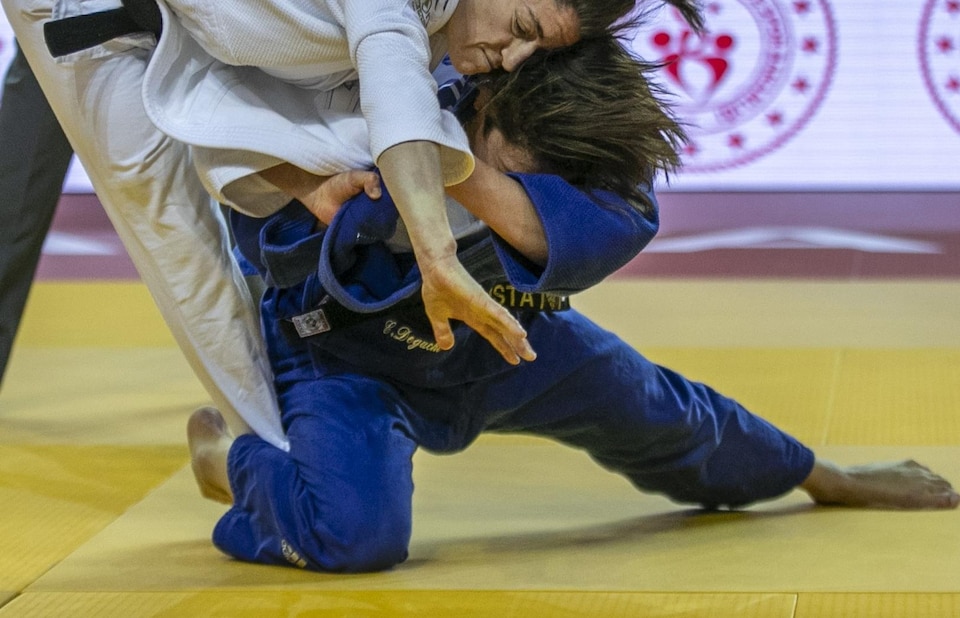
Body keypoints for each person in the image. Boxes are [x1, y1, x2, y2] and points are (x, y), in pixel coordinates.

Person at [187, 37, 959, 574]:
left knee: (657, 407)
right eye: (515, 172)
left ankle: (817, 474)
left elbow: (602, 223)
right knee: (355, 538)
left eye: (542, 190)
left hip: (504, 343)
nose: (517, 199)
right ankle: (236, 466)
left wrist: (440, 164)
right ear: (481, 105)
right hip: (344, 357)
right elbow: (245, 189)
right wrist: (378, 163)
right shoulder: (365, 107)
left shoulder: (569, 150)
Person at [1, 0, 698, 445]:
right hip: (90, 20)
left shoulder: (443, 42)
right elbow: (391, 82)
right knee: (186, 267)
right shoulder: (401, 27)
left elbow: (229, 112)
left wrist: (302, 179)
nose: (514, 58)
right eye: (520, 31)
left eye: (533, 49)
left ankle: (260, 449)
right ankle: (258, 454)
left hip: (181, 43)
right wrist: (437, 258)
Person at [0, 42, 73, 391]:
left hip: (181, 24)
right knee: (9, 211)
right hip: (51, 29)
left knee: (238, 199)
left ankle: (262, 384)